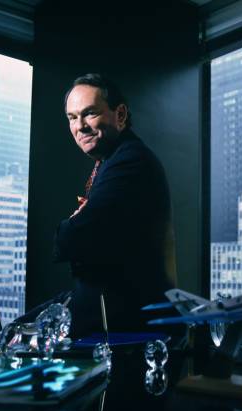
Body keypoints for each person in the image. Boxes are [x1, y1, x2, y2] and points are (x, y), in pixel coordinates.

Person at [23, 74, 176, 338]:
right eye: (72, 117)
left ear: (120, 114)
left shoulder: (130, 161)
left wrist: (69, 227)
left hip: (125, 320)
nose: (79, 126)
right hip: (102, 306)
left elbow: (74, 238)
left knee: (17, 343)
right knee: (11, 334)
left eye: (89, 113)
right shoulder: (109, 161)